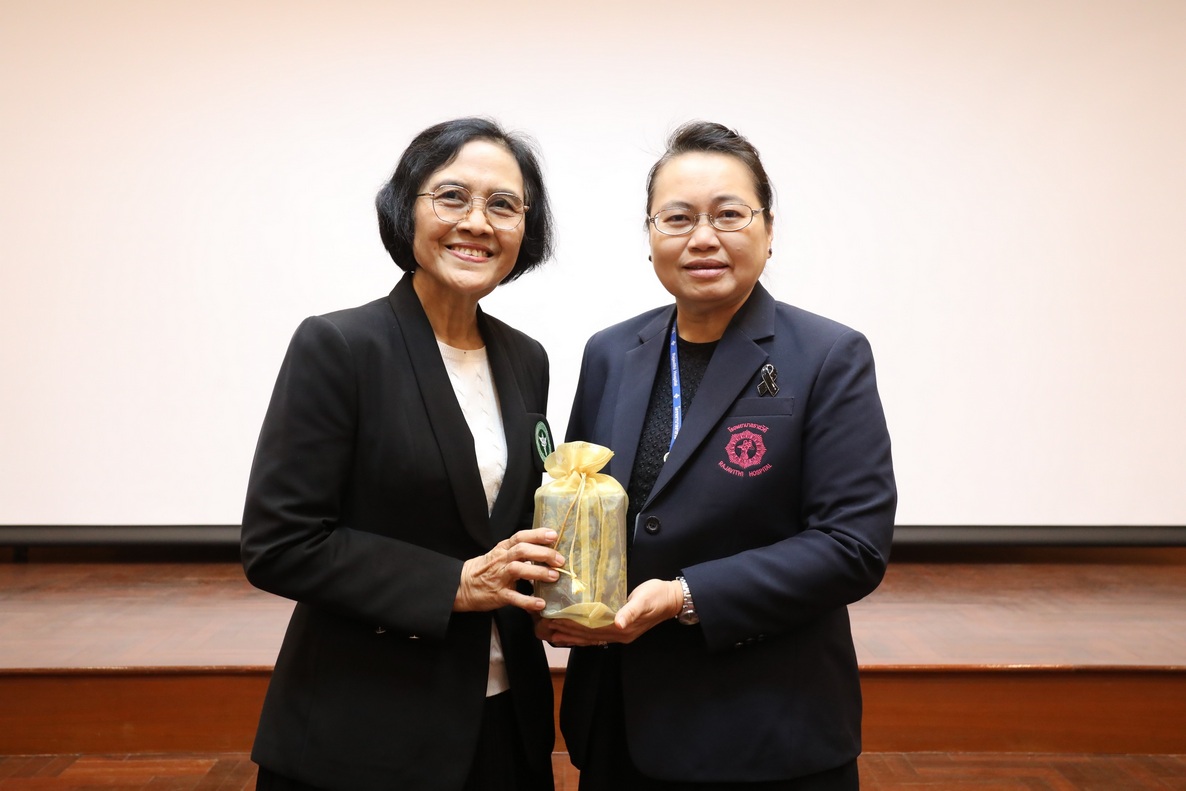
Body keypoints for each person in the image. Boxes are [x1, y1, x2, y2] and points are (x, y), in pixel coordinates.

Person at [541, 121, 897, 790]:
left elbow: (852, 545)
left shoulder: (828, 355)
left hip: (762, 728)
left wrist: (685, 595)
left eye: (728, 215)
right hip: (619, 722)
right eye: (678, 218)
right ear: (651, 236)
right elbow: (582, 500)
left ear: (768, 229)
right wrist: (559, 587)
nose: (702, 238)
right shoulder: (611, 352)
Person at [241, 117, 565, 791]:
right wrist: (453, 585)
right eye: (452, 197)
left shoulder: (525, 358)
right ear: (404, 209)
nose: (476, 222)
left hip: (508, 724)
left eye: (503, 205)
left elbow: (509, 525)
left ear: (524, 229)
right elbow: (281, 543)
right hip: (366, 732)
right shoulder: (340, 346)